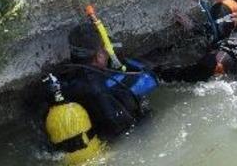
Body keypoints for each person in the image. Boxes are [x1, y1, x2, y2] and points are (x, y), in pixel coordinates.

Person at [41, 22, 157, 163]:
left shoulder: (64, 84)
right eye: (106, 49)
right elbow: (123, 127)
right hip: (119, 147)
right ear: (99, 55)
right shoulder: (107, 88)